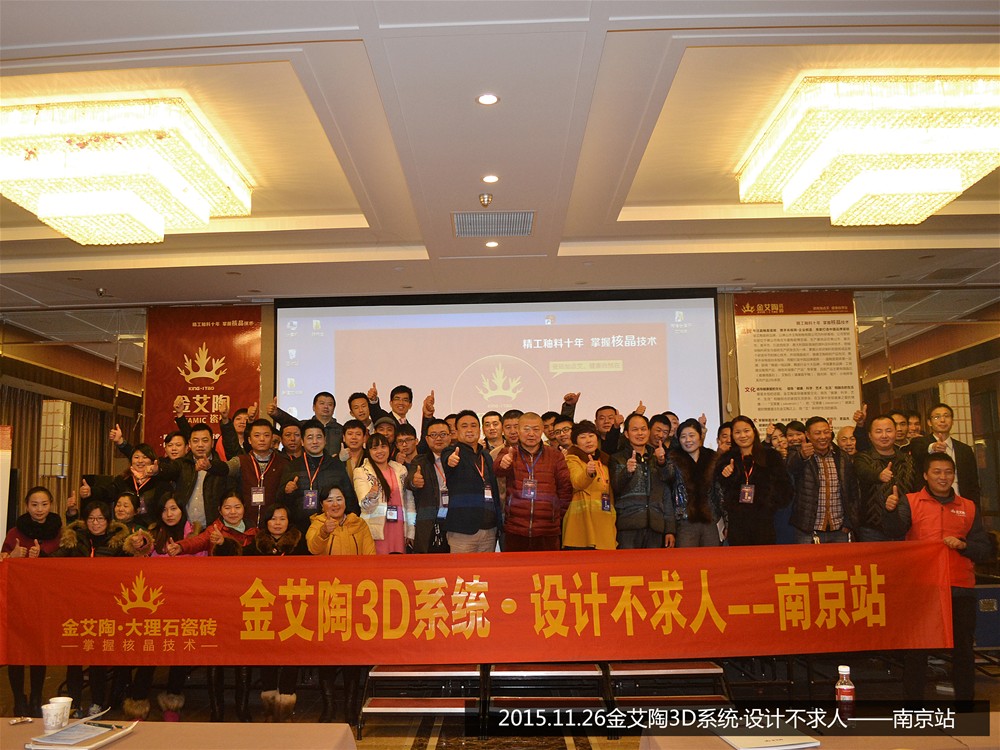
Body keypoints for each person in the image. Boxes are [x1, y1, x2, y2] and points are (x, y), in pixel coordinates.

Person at [882, 454, 991, 705]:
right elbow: (893, 532)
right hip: (922, 588)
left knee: (963, 650)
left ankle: (965, 706)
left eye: (948, 472)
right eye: (937, 472)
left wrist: (963, 545)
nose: (943, 477)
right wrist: (889, 511)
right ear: (925, 475)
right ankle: (913, 708)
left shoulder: (969, 506)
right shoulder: (910, 502)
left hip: (959, 586)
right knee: (917, 651)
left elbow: (984, 549)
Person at [174, 492, 256, 721]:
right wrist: (180, 546)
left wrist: (226, 543)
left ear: (244, 508)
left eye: (237, 507)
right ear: (220, 510)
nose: (233, 512)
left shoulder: (253, 531)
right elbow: (197, 542)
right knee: (215, 655)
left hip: (245, 600)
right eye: (227, 507)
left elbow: (250, 552)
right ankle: (216, 710)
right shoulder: (214, 529)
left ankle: (242, 709)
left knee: (243, 657)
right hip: (218, 600)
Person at [120, 496, 203, 720]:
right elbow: (141, 559)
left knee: (179, 657)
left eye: (174, 508)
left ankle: (172, 703)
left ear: (182, 510)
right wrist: (139, 546)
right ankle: (138, 702)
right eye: (165, 510)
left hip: (185, 606)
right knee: (149, 655)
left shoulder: (195, 536)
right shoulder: (152, 535)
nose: (169, 514)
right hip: (156, 607)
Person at [53, 500, 130, 717]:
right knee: (74, 658)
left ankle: (97, 702)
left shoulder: (118, 543)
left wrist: (141, 545)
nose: (96, 523)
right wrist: (36, 555)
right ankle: (74, 704)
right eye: (91, 519)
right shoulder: (74, 540)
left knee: (98, 658)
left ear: (108, 521)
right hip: (76, 607)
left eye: (100, 519)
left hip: (104, 609)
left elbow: (133, 565)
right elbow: (52, 563)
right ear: (85, 521)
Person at [306, 487, 374, 722]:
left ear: (346, 501)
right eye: (329, 500)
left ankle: (350, 708)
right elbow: (313, 548)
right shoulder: (317, 524)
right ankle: (328, 707)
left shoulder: (359, 524)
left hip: (354, 598)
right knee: (327, 654)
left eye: (339, 499)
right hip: (327, 597)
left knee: (352, 656)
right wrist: (324, 532)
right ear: (322, 505)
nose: (334, 504)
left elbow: (370, 558)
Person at [2, 486, 63, 718]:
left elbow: (65, 564)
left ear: (51, 505)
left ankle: (37, 698)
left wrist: (43, 558)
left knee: (38, 649)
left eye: (44, 504)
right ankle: (19, 699)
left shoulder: (59, 531)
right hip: (17, 600)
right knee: (16, 650)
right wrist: (12, 558)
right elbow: (3, 563)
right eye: (34, 505)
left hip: (44, 599)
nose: (39, 509)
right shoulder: (14, 532)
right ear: (27, 506)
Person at [247, 504, 307, 722]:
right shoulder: (255, 546)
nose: (278, 523)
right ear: (266, 522)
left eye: (282, 519)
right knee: (267, 655)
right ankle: (270, 705)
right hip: (264, 608)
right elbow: (236, 566)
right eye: (273, 519)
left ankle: (286, 704)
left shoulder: (300, 545)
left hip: (292, 607)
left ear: (289, 522)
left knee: (291, 655)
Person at [495, 411, 573, 552]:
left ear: (542, 431)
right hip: (516, 528)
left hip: (547, 530)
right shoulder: (509, 452)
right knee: (516, 566)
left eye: (536, 429)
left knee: (547, 566)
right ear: (518, 431)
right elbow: (497, 470)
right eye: (526, 429)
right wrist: (503, 464)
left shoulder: (555, 456)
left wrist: (555, 515)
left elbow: (565, 489)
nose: (531, 434)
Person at [713, 415, 792, 546]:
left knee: (764, 557)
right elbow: (721, 491)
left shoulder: (770, 457)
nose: (743, 436)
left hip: (764, 520)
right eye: (737, 432)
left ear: (754, 431)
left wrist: (769, 503)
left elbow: (785, 487)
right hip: (737, 523)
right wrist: (725, 475)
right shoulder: (727, 459)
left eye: (746, 431)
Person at [786, 417, 860, 544]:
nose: (823, 436)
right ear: (808, 435)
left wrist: (850, 521)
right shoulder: (798, 452)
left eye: (826, 432)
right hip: (808, 529)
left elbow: (853, 491)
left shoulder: (842, 457)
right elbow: (790, 468)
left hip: (840, 529)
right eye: (817, 433)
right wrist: (802, 456)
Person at [279, 419, 358, 532]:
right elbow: (280, 501)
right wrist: (286, 492)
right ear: (302, 441)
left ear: (325, 440)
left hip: (332, 528)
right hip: (300, 529)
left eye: (319, 437)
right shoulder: (292, 467)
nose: (315, 441)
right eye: (310, 437)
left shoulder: (336, 465)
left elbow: (349, 498)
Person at [609, 413, 675, 549]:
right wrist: (627, 472)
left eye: (643, 429)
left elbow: (667, 491)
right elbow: (615, 488)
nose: (640, 433)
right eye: (635, 429)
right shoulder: (618, 458)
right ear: (626, 434)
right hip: (628, 526)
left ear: (649, 431)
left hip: (656, 526)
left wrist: (670, 529)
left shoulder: (658, 457)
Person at [444, 410, 503, 553]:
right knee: (461, 568)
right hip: (463, 530)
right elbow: (448, 461)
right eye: (464, 426)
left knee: (486, 568)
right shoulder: (451, 452)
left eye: (473, 425)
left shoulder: (486, 456)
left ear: (480, 430)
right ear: (456, 431)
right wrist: (450, 461)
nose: (470, 430)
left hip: (490, 528)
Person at [154, 422, 233, 527]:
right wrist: (158, 469)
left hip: (213, 527)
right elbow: (170, 469)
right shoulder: (182, 464)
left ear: (212, 443)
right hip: (185, 528)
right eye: (195, 441)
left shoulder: (220, 467)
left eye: (205, 440)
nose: (200, 445)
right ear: (190, 444)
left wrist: (210, 467)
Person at [853, 415, 918, 542]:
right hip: (871, 530)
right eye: (878, 431)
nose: (884, 435)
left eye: (888, 431)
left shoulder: (908, 459)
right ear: (870, 436)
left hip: (904, 528)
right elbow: (863, 472)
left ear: (895, 433)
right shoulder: (862, 458)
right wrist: (878, 475)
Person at [908, 403, 980, 506]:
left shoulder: (965, 450)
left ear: (952, 421)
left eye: (946, 416)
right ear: (929, 422)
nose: (942, 420)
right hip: (929, 505)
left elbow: (973, 484)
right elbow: (918, 452)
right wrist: (932, 447)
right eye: (937, 417)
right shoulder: (918, 443)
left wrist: (974, 507)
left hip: (961, 504)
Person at [353, 432, 414, 554]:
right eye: (374, 448)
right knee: (378, 564)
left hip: (399, 529)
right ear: (368, 451)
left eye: (383, 446)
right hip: (376, 530)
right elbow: (365, 506)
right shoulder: (362, 472)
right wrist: (372, 495)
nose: (380, 451)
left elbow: (409, 502)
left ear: (389, 448)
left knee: (398, 564)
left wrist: (411, 531)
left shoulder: (400, 470)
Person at [224, 418, 290, 528]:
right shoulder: (241, 461)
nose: (262, 439)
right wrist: (209, 465)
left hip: (273, 525)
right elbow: (224, 469)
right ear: (249, 440)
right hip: (244, 525)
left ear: (272, 438)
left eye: (266, 435)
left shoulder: (283, 464)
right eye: (257, 435)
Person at [562, 420, 616, 550]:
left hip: (604, 520)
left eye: (591, 436)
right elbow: (577, 482)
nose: (588, 440)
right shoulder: (572, 459)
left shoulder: (604, 461)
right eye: (582, 437)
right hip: (582, 522)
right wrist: (588, 473)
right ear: (575, 443)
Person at [669, 418, 721, 548]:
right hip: (685, 520)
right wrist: (661, 463)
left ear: (700, 436)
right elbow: (666, 476)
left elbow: (718, 490)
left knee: (712, 558)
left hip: (710, 519)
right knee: (687, 559)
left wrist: (724, 519)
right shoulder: (673, 459)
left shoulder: (712, 458)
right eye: (683, 437)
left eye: (692, 435)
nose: (688, 440)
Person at [406, 418, 452, 554]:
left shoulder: (458, 459)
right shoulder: (420, 461)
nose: (438, 438)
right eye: (433, 435)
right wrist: (414, 481)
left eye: (443, 434)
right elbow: (409, 481)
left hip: (454, 523)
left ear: (450, 436)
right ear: (427, 439)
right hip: (429, 523)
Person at [270, 391, 343, 455]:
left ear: (334, 408)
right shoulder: (304, 426)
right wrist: (276, 413)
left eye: (330, 404)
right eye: (322, 403)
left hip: (334, 465)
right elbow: (289, 421)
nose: (326, 407)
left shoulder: (341, 429)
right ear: (313, 407)